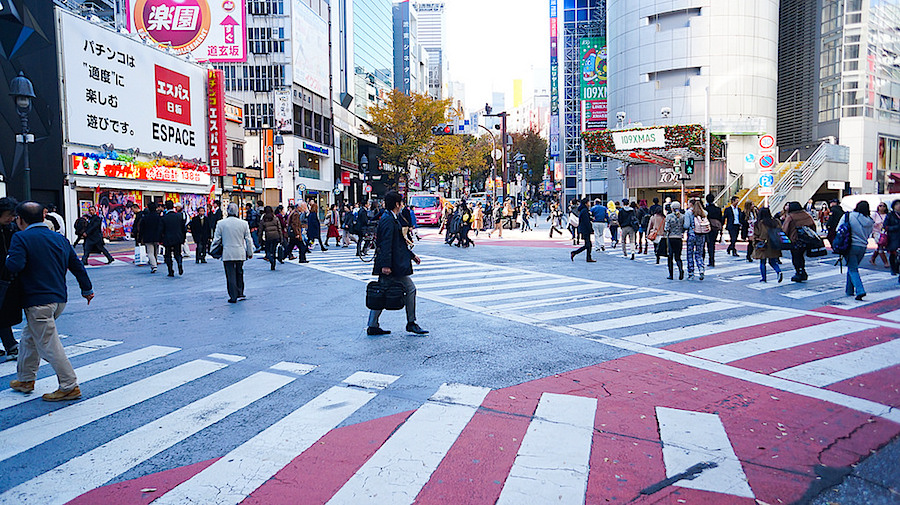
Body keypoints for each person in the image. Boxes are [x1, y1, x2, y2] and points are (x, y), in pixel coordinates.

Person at [7, 201, 94, 401]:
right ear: (43, 217)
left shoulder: (20, 237)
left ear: (20, 220)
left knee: (48, 344)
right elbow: (77, 266)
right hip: (58, 299)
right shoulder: (59, 238)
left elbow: (15, 265)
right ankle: (25, 379)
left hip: (37, 300)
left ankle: (69, 385)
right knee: (30, 338)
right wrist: (86, 289)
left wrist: (7, 259)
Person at [367, 191, 428, 336]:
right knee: (410, 289)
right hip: (392, 266)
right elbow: (387, 243)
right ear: (396, 204)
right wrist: (386, 265)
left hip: (391, 264)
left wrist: (411, 255)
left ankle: (372, 325)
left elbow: (398, 243)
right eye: (401, 202)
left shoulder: (390, 217)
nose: (402, 205)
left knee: (381, 292)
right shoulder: (389, 219)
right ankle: (411, 322)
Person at [211, 203, 254, 303]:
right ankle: (240, 292)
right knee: (239, 272)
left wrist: (212, 249)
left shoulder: (221, 223)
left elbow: (217, 239)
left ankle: (233, 295)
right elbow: (248, 239)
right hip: (240, 252)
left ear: (227, 211)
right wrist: (250, 252)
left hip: (227, 252)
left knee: (230, 274)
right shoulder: (243, 223)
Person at [0, 197, 21, 359]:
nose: (11, 218)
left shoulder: (11, 228)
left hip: (7, 276)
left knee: (4, 311)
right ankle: (11, 344)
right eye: (8, 215)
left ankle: (10, 344)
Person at [842, 201, 875, 300]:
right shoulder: (870, 221)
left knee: (853, 268)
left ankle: (860, 290)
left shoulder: (849, 216)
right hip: (863, 246)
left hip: (850, 245)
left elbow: (839, 228)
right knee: (852, 267)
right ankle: (849, 290)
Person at [782, 201, 816, 282]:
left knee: (796, 257)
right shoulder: (806, 215)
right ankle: (803, 271)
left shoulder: (791, 216)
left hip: (795, 240)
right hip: (806, 239)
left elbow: (785, 229)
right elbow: (813, 225)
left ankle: (799, 272)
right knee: (801, 256)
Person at [753, 207, 784, 283]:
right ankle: (778, 271)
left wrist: (755, 242)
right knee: (772, 261)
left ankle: (764, 278)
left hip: (763, 244)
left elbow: (756, 234)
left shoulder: (759, 223)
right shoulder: (776, 222)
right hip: (774, 243)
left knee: (762, 262)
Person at [160, 201, 186, 277]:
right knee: (177, 253)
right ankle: (179, 263)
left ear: (166, 207)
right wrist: (183, 238)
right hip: (178, 238)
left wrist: (161, 239)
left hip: (167, 238)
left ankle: (170, 271)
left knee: (168, 255)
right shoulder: (179, 216)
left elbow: (161, 229)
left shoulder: (164, 218)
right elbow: (183, 229)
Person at [684, 199, 708, 280]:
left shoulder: (688, 213)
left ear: (691, 204)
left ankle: (691, 273)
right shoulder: (703, 212)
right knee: (699, 253)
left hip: (691, 234)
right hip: (701, 235)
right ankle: (701, 268)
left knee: (690, 253)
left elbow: (686, 225)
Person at [137, 201, 163, 273]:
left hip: (148, 236)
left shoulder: (145, 217)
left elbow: (141, 229)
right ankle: (155, 261)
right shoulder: (159, 217)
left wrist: (139, 238)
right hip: (157, 236)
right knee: (155, 251)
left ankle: (154, 265)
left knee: (150, 252)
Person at [664, 201, 686, 280]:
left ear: (672, 208)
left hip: (671, 237)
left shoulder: (669, 216)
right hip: (679, 237)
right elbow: (684, 227)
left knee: (670, 256)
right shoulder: (683, 217)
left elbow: (666, 228)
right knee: (678, 256)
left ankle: (671, 274)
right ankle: (680, 270)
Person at [570, 198, 596, 262]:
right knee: (588, 244)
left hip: (584, 229)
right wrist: (591, 229)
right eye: (588, 202)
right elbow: (586, 221)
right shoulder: (584, 210)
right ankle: (575, 253)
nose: (589, 203)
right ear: (586, 203)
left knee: (588, 244)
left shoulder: (583, 210)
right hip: (585, 229)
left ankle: (588, 257)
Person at [259, 206, 284, 270]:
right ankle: (273, 264)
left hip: (268, 237)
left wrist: (260, 239)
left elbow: (260, 230)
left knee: (268, 251)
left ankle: (271, 259)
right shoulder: (275, 218)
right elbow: (279, 228)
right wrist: (281, 238)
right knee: (274, 250)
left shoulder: (263, 219)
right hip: (276, 236)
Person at [705, 193, 723, 267]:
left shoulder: (706, 209)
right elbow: (721, 219)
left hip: (708, 227)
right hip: (716, 227)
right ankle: (712, 260)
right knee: (713, 243)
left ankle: (710, 259)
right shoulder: (717, 209)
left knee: (709, 244)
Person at [871, 202, 890, 267]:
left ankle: (872, 258)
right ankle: (886, 262)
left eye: (883, 206)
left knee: (879, 246)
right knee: (880, 246)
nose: (882, 207)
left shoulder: (887, 215)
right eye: (880, 206)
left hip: (884, 233)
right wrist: (878, 223)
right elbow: (871, 223)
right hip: (876, 232)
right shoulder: (875, 214)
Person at [886, 200, 900, 276]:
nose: (899, 206)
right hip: (893, 238)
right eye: (897, 204)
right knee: (893, 255)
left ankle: (897, 268)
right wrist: (896, 227)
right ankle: (893, 268)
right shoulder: (890, 215)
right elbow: (886, 226)